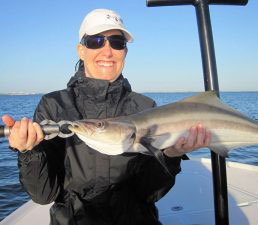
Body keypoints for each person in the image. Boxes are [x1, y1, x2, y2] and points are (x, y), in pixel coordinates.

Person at [2, 9, 210, 225]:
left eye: (117, 42)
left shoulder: (145, 107)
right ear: (81, 50)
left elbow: (148, 193)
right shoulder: (53, 105)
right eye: (96, 41)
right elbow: (43, 194)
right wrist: (29, 152)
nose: (108, 51)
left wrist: (172, 154)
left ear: (125, 52)